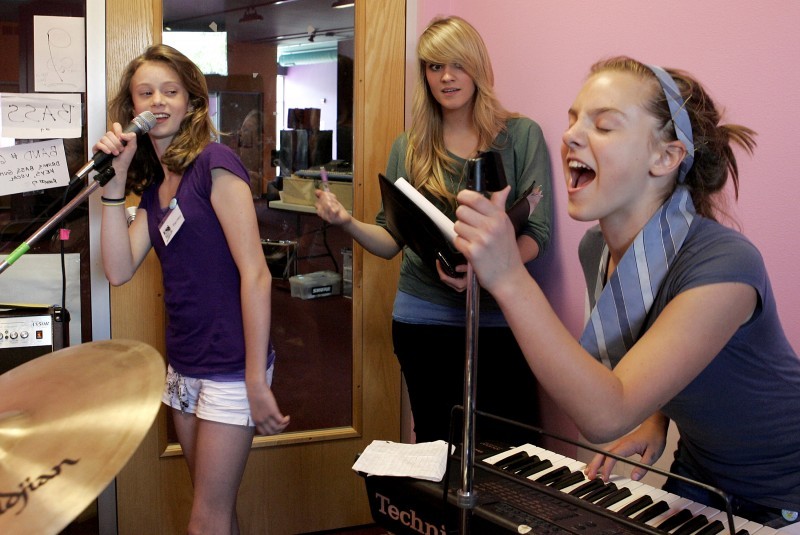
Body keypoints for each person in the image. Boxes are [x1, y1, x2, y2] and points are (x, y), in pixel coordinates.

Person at [453, 55, 800, 526]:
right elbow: (662, 357)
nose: (571, 134)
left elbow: (607, 413)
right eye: (574, 117)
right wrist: (658, 414)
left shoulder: (727, 266)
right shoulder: (597, 247)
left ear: (665, 157)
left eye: (604, 125)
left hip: (783, 491)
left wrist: (509, 276)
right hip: (700, 475)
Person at [315, 16, 553, 445]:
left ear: (477, 66)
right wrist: (346, 222)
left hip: (503, 315)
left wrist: (489, 268)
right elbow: (391, 241)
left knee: (514, 448)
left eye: (457, 64)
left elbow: (537, 232)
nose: (446, 77)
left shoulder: (520, 136)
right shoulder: (409, 146)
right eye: (434, 66)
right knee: (437, 446)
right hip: (423, 318)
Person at [94, 44, 290, 535]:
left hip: (230, 364)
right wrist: (114, 186)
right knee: (213, 507)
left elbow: (256, 274)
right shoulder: (156, 185)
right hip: (184, 364)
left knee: (204, 520)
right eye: (146, 92)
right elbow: (117, 270)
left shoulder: (215, 163)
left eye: (170, 90)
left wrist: (254, 380)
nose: (158, 101)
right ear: (131, 109)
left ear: (191, 101)